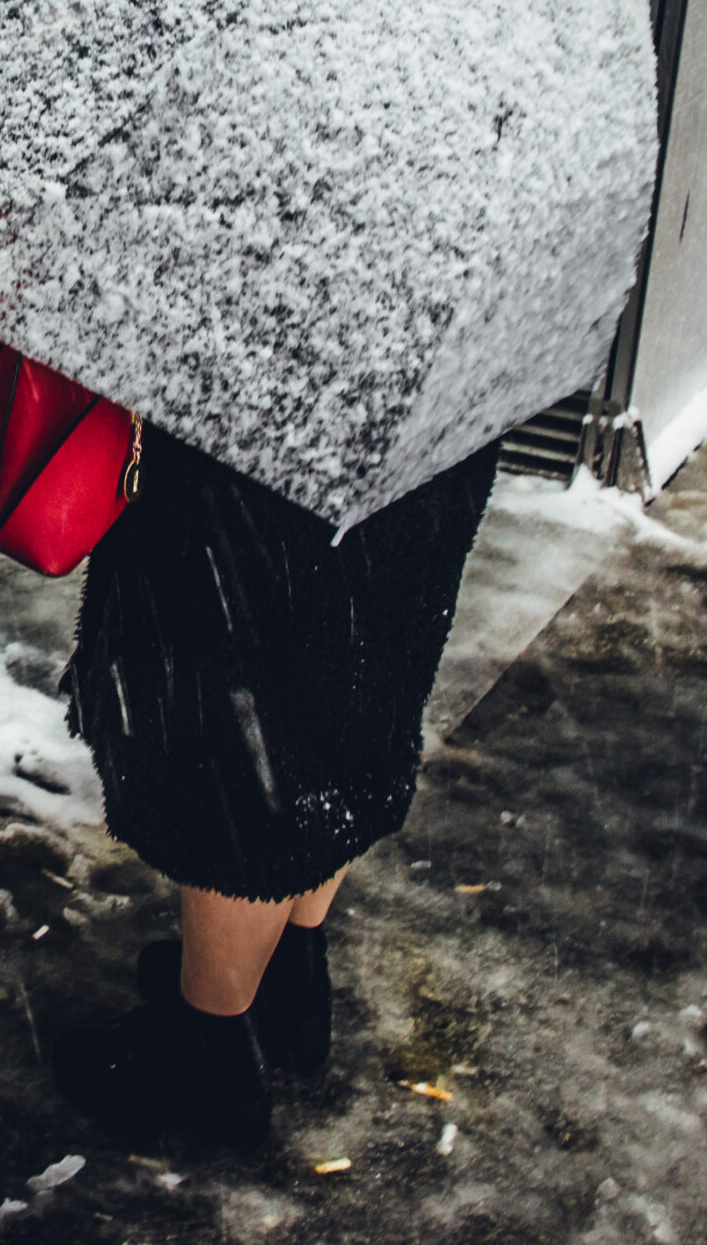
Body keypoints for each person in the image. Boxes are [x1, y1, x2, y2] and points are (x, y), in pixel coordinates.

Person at [52, 430, 498, 1146]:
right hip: (430, 436)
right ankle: (292, 974)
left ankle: (212, 1060)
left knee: (237, 737)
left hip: (278, 449)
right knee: (352, 694)